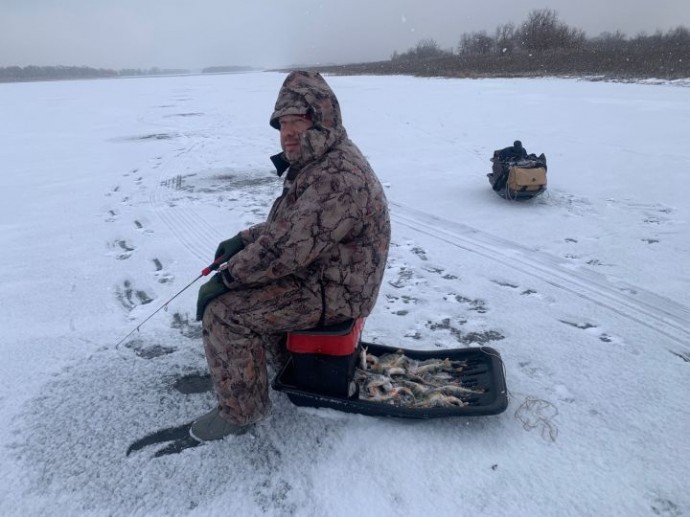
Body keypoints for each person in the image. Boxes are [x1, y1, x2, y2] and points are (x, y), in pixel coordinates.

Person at [190, 71, 391, 441]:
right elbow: (294, 228)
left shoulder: (336, 175)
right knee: (253, 288)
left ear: (322, 120)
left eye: (298, 121)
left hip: (336, 290)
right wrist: (244, 238)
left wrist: (227, 278)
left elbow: (286, 251)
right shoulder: (321, 162)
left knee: (226, 312)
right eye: (282, 124)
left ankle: (241, 411)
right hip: (323, 272)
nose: (287, 133)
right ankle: (250, 369)